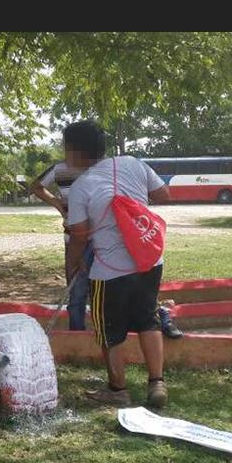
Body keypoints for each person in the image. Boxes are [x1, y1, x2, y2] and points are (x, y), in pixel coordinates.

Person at [63, 120, 171, 408]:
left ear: (75, 151)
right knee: (149, 319)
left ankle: (117, 389)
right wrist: (130, 205)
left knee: (108, 331)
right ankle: (156, 383)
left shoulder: (81, 187)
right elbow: (163, 194)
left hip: (109, 271)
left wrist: (73, 264)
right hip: (149, 260)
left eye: (65, 150)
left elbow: (79, 235)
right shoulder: (133, 164)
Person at [30, 161, 93, 331]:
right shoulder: (60, 169)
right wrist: (59, 205)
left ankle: (104, 338)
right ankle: (77, 338)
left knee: (102, 292)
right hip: (72, 238)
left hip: (103, 239)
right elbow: (36, 186)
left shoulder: (103, 166)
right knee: (77, 293)